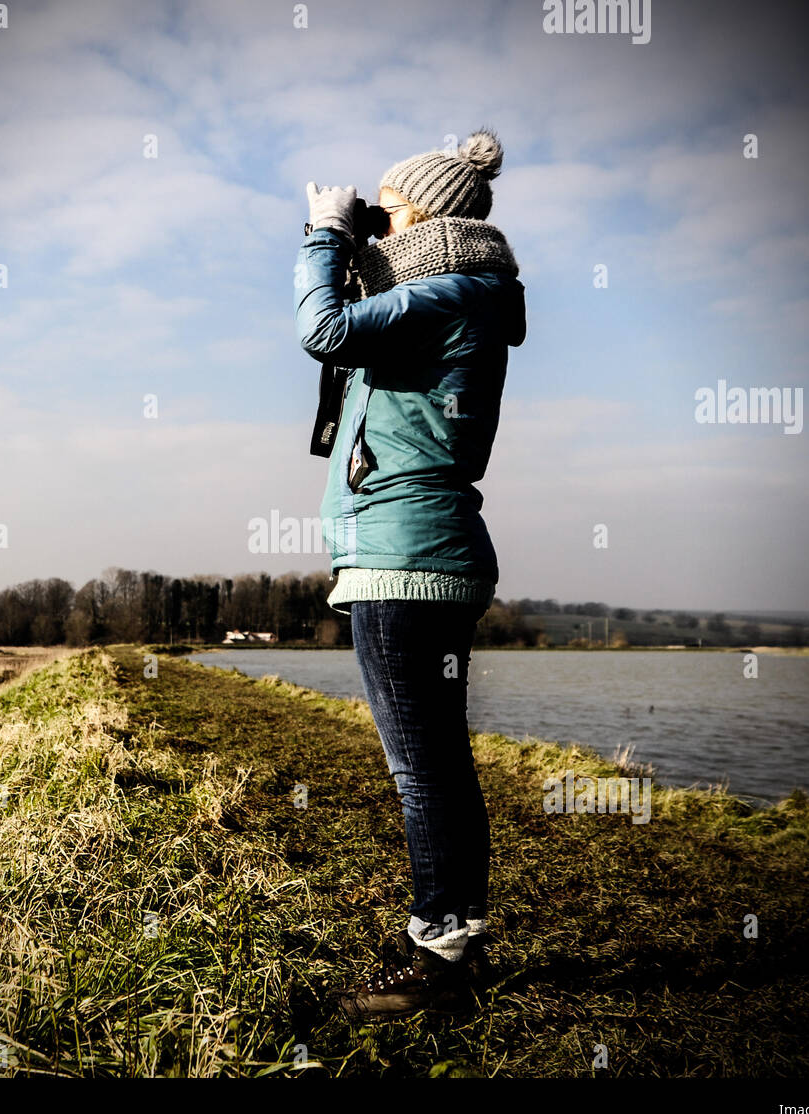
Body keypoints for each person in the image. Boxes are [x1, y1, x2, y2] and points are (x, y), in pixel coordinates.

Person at [293, 127, 527, 1020]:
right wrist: (352, 254)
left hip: (406, 560)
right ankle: (448, 943)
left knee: (420, 767)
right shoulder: (446, 299)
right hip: (414, 554)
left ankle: (439, 965)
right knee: (436, 763)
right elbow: (345, 350)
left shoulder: (457, 292)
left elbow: (323, 330)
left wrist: (323, 238)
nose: (376, 224)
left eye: (389, 211)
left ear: (424, 213)